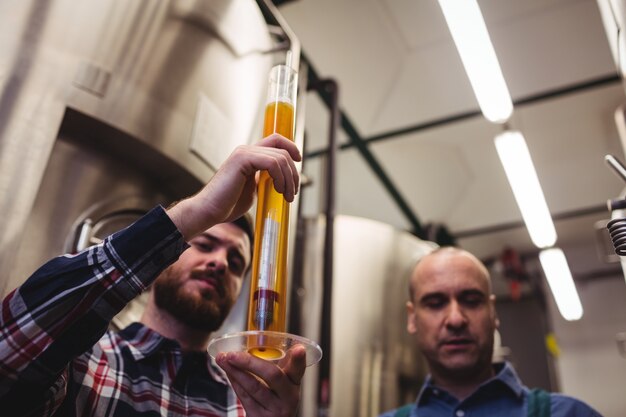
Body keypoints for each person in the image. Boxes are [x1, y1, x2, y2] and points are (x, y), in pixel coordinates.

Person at [0, 134, 306, 417]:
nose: (221, 262)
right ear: (168, 252)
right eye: (204, 244)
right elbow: (8, 353)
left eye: (236, 261)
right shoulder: (84, 363)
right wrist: (193, 214)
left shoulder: (244, 404)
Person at [379, 247, 602, 417]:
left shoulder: (570, 414)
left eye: (472, 301)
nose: (456, 319)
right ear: (412, 318)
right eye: (435, 303)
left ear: (493, 313)